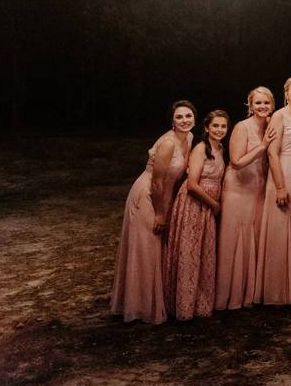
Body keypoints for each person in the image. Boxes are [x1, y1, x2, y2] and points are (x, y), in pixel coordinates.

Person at [111, 100, 195, 324]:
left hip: (163, 194)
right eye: (179, 117)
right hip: (147, 195)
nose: (185, 120)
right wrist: (160, 213)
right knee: (146, 248)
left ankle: (155, 300)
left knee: (157, 249)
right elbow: (157, 182)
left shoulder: (189, 138)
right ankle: (140, 307)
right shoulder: (168, 143)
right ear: (172, 121)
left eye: (188, 116)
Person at [215, 87, 277, 310]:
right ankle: (230, 294)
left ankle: (251, 292)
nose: (262, 107)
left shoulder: (271, 124)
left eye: (266, 103)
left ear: (272, 104)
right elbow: (236, 161)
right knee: (236, 237)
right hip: (239, 187)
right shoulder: (242, 127)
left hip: (259, 186)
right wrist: (262, 147)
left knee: (254, 236)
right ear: (250, 106)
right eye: (258, 103)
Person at [163, 109, 228, 320]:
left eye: (223, 126)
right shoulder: (201, 148)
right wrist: (214, 204)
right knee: (189, 253)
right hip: (194, 205)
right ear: (207, 128)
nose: (219, 130)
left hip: (206, 208)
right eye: (215, 126)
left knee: (202, 253)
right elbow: (192, 185)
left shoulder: (220, 148)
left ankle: (199, 302)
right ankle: (184, 306)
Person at [256, 77, 291, 306]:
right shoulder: (279, 116)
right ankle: (278, 290)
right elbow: (272, 153)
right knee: (282, 229)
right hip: (285, 173)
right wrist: (280, 186)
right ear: (286, 94)